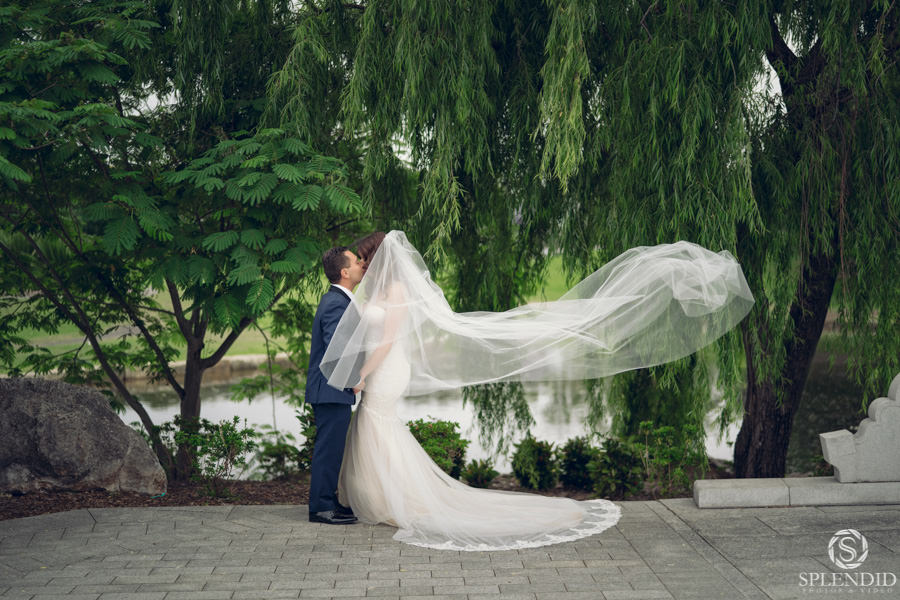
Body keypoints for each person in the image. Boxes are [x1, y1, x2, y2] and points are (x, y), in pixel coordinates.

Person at [320, 231, 754, 549]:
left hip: (387, 369)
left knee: (377, 425)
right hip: (380, 370)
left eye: (363, 256)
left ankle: (394, 499)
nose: (360, 262)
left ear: (377, 257)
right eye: (357, 259)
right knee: (375, 427)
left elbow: (387, 339)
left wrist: (362, 373)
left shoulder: (395, 289)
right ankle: (381, 496)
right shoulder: (376, 289)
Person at [305, 246, 364, 525]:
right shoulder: (335, 303)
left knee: (333, 449)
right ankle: (321, 508)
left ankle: (330, 501)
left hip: (333, 391)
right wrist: (354, 380)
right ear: (344, 272)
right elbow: (336, 350)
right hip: (331, 390)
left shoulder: (341, 300)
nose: (361, 264)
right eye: (356, 261)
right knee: (328, 450)